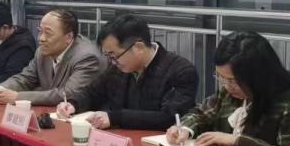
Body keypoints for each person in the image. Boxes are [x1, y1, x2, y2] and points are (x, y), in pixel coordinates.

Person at [165, 31, 290, 146]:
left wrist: (236, 141)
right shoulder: (230, 93)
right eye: (221, 77)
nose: (227, 86)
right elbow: (201, 114)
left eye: (233, 80)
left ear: (257, 76)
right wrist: (185, 129)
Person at [56, 14, 198, 130]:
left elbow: (170, 117)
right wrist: (73, 104)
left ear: (138, 47)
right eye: (108, 56)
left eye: (113, 55)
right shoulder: (118, 68)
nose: (112, 61)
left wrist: (115, 118)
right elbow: (92, 92)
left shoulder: (181, 71)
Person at [0, 9, 103, 106]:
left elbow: (68, 94)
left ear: (68, 37)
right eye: (40, 32)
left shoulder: (87, 57)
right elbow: (25, 78)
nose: (41, 38)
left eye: (48, 33)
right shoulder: (42, 51)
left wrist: (17, 97)